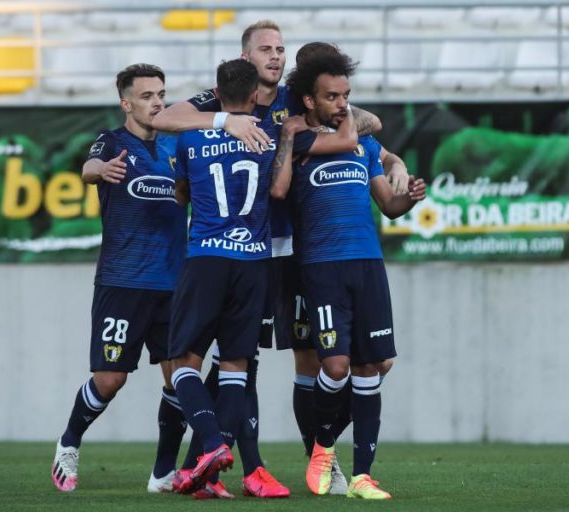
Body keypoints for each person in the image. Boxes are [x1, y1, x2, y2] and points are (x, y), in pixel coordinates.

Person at [153, 22, 361, 499]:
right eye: (265, 49)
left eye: (281, 49)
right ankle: (238, 465)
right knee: (237, 363)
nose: (276, 56)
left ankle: (317, 462)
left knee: (299, 362)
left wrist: (385, 155)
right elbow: (164, 118)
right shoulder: (217, 101)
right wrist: (227, 122)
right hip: (250, 253)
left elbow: (363, 120)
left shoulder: (296, 99)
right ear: (246, 59)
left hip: (289, 251)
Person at [270, 49, 427, 499]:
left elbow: (390, 206)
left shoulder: (365, 146)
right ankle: (322, 448)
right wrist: (290, 138)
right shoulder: (300, 141)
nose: (341, 103)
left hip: (368, 263)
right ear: (308, 100)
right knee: (334, 365)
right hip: (320, 266)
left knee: (373, 364)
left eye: (346, 95)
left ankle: (362, 475)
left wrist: (409, 195)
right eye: (331, 96)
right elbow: (279, 190)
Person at [167, 58, 302, 497]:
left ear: (216, 94)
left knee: (184, 361)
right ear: (254, 95)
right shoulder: (264, 136)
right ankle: (217, 465)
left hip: (206, 257)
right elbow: (279, 190)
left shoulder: (190, 136)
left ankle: (209, 445)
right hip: (254, 261)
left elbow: (181, 191)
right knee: (236, 366)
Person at [51, 63, 188, 493]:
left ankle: (163, 472)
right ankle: (69, 442)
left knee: (180, 378)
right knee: (111, 379)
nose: (157, 102)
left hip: (173, 282)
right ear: (126, 103)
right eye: (146, 96)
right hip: (123, 280)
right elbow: (89, 168)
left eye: (161, 94)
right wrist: (101, 170)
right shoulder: (112, 142)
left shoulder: (175, 146)